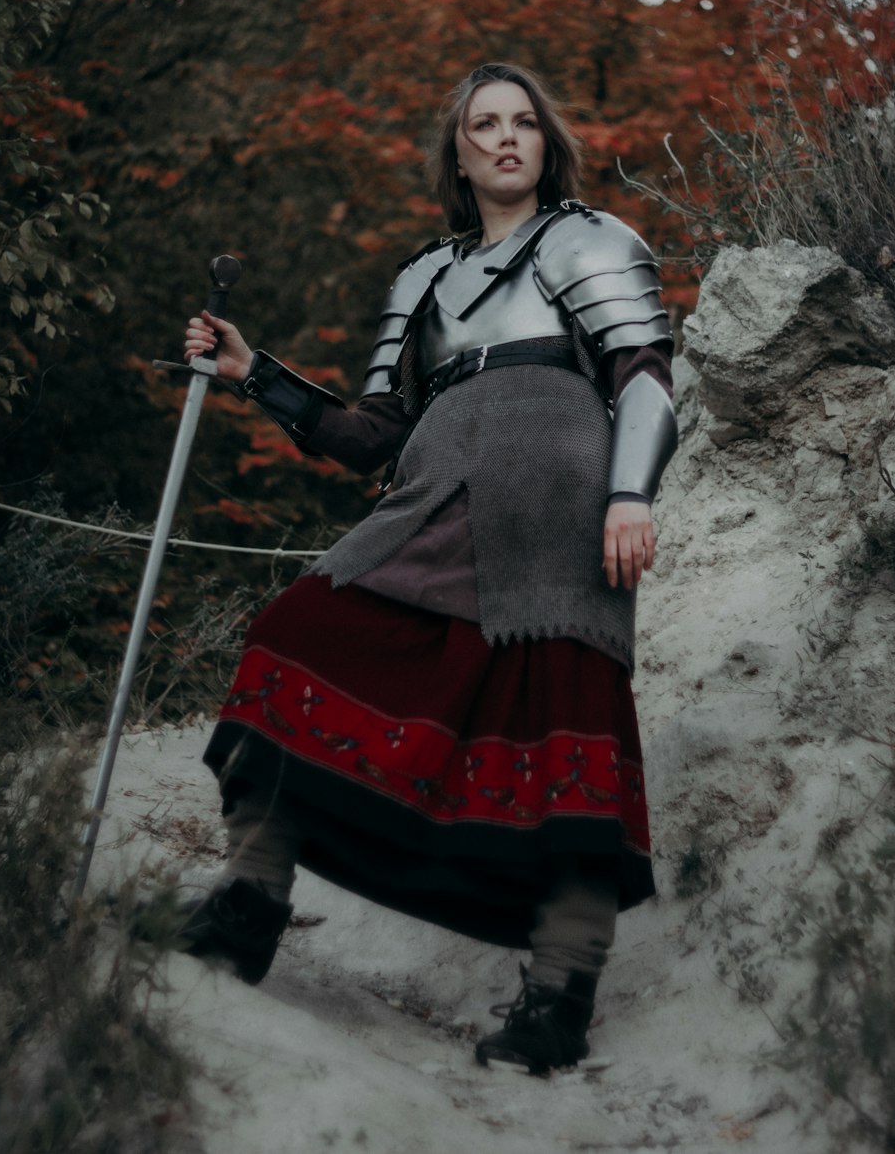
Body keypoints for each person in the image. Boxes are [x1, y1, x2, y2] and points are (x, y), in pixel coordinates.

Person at [177, 62, 677, 1075]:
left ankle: (556, 1001)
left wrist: (629, 495)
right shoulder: (421, 276)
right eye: (482, 125)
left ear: (545, 143)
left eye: (522, 124)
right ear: (456, 152)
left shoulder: (593, 241)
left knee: (564, 727)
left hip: (558, 496)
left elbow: (644, 377)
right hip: (434, 484)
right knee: (297, 630)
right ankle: (249, 899)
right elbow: (369, 436)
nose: (504, 138)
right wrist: (254, 374)